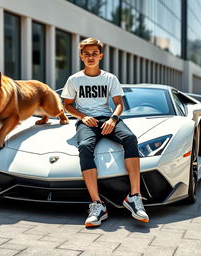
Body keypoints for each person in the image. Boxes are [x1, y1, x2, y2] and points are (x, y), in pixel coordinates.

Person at [61, 37, 149, 227]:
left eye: (94, 53)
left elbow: (119, 104)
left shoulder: (110, 78)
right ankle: (97, 205)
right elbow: (67, 105)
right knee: (84, 146)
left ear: (100, 55)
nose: (91, 57)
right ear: (81, 56)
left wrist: (113, 119)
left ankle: (134, 197)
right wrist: (82, 117)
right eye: (87, 54)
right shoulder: (74, 79)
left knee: (131, 139)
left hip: (108, 119)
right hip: (87, 122)